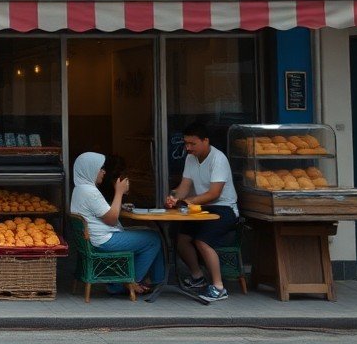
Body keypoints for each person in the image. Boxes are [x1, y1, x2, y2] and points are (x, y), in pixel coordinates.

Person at [70, 151, 165, 295]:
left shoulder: (79, 190)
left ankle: (148, 281)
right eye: (99, 168)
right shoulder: (90, 192)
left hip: (95, 240)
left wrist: (118, 203)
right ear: (89, 169)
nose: (103, 171)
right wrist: (119, 192)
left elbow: (103, 211)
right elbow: (112, 219)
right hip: (104, 241)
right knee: (153, 239)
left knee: (149, 234)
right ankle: (131, 282)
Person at [165, 120, 239, 302]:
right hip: (202, 209)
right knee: (181, 239)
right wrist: (174, 196)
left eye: (192, 144)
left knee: (202, 241)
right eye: (186, 143)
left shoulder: (218, 158)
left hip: (225, 208)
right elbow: (184, 186)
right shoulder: (190, 158)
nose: (188, 148)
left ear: (205, 141)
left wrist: (188, 201)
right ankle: (197, 277)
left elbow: (214, 193)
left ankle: (219, 287)